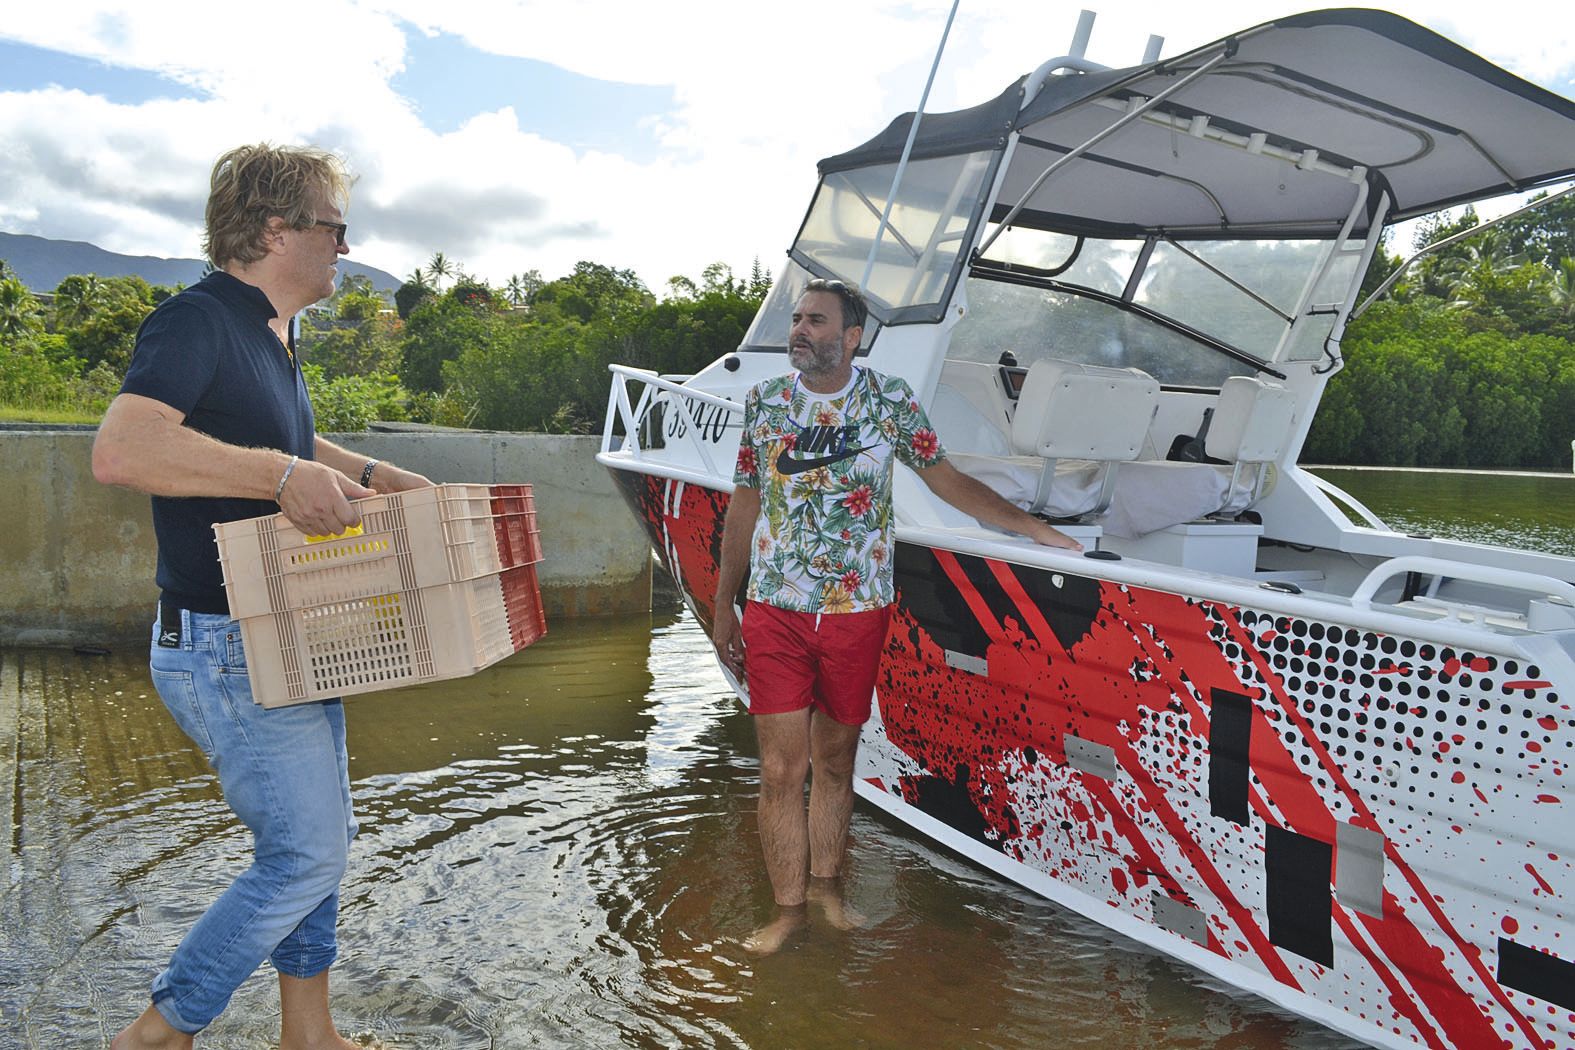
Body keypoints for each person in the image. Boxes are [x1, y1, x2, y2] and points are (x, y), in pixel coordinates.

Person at [93, 143, 431, 1050]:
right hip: (221, 641)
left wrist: (375, 471)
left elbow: (281, 443)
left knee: (324, 841)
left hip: (282, 633)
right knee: (304, 852)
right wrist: (279, 473)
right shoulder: (196, 321)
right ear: (275, 229)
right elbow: (122, 450)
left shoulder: (273, 336)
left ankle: (308, 1035)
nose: (345, 246)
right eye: (333, 226)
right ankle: (159, 1031)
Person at [711, 278, 1082, 954]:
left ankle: (826, 891)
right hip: (775, 610)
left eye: (815, 321)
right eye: (795, 319)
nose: (799, 330)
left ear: (851, 337)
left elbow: (945, 480)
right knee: (778, 771)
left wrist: (1033, 530)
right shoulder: (764, 402)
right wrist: (722, 608)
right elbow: (743, 504)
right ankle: (786, 912)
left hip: (858, 612)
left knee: (835, 759)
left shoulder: (887, 401)